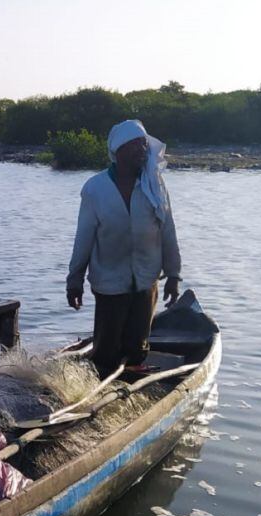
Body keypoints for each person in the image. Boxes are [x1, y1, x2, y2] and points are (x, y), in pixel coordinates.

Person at [65, 120, 181, 379]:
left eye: (143, 144)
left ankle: (133, 372)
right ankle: (103, 376)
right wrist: (74, 280)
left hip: (146, 276)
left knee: (138, 342)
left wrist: (173, 275)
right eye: (134, 145)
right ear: (118, 151)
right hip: (109, 279)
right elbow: (84, 237)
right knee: (107, 346)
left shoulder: (154, 185)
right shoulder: (96, 189)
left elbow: (168, 231)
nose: (142, 150)